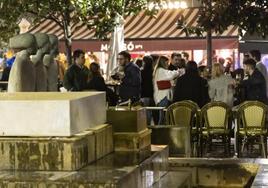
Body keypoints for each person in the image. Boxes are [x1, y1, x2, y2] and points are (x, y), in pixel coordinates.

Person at [153, 56, 183, 124]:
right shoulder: (160, 70)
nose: (168, 64)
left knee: (163, 116)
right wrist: (178, 71)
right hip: (163, 97)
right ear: (163, 62)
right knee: (163, 117)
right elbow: (170, 75)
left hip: (161, 97)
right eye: (167, 63)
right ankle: (160, 131)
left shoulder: (158, 70)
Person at [141, 55, 155, 125]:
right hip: (153, 95)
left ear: (144, 62)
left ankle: (147, 126)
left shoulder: (141, 72)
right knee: (152, 111)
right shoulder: (154, 72)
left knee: (146, 112)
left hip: (143, 94)